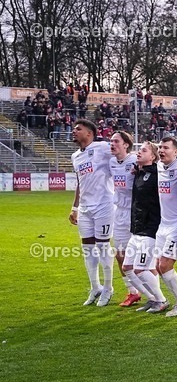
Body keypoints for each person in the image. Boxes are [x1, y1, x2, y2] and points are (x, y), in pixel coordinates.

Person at [69, 119, 116, 306]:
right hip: (85, 208)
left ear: (89, 133)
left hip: (104, 205)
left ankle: (108, 288)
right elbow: (80, 183)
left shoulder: (102, 147)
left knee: (103, 246)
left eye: (78, 129)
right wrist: (74, 208)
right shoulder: (75, 156)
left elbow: (122, 155)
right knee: (87, 248)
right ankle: (95, 287)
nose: (74, 131)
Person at [123, 141, 167, 313]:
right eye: (138, 150)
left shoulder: (158, 174)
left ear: (153, 156)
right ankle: (152, 298)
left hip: (150, 229)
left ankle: (161, 300)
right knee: (127, 268)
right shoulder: (139, 172)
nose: (138, 152)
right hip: (136, 229)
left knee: (140, 269)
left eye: (143, 150)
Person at [154, 137, 177, 317]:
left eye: (166, 148)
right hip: (163, 224)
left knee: (165, 264)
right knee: (158, 266)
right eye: (160, 147)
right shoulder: (158, 166)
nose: (161, 150)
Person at [108, 131, 141, 308]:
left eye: (116, 141)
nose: (112, 144)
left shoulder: (135, 160)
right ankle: (133, 292)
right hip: (119, 212)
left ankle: (153, 293)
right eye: (111, 141)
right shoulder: (111, 162)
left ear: (126, 145)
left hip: (136, 212)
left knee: (140, 255)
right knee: (120, 254)